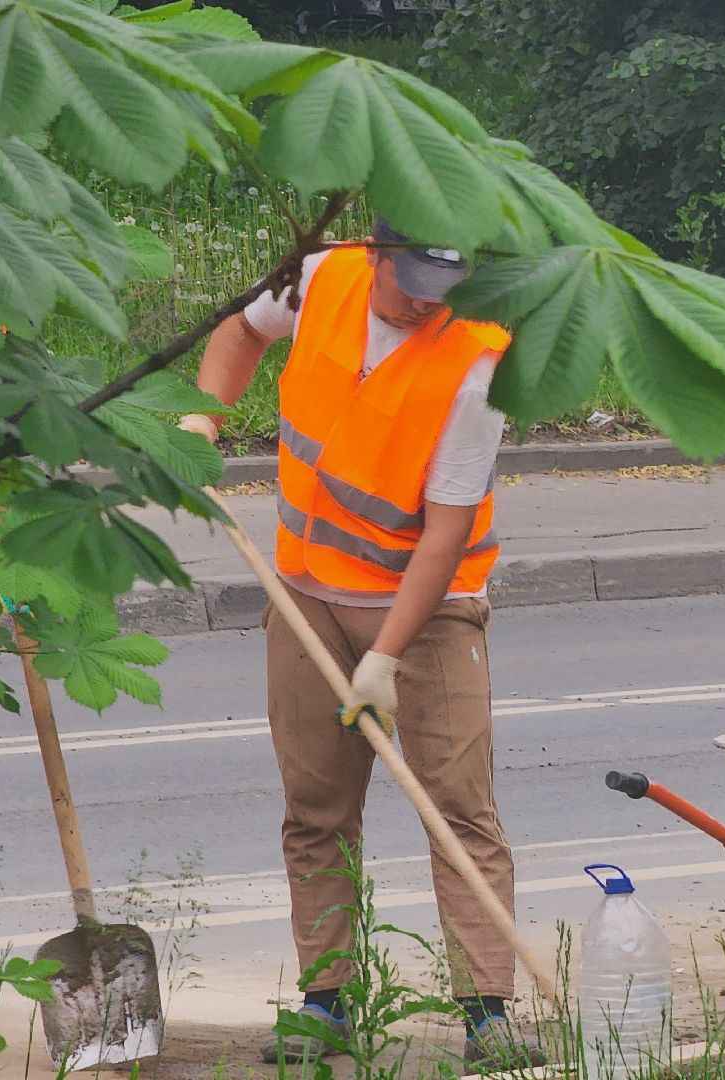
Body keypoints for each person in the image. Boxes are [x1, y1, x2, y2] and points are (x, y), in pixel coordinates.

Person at [185, 217, 545, 1072]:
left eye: (443, 286)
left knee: (458, 809)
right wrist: (201, 422)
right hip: (303, 591)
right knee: (315, 810)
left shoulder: (478, 360)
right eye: (411, 278)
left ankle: (487, 1011)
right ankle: (325, 1003)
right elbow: (238, 331)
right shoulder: (321, 277)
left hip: (429, 612)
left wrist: (386, 654)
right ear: (374, 252)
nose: (426, 302)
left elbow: (446, 530)